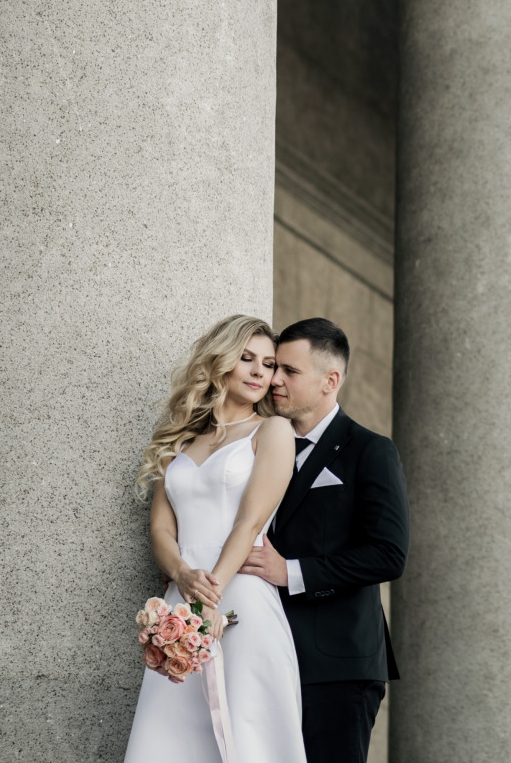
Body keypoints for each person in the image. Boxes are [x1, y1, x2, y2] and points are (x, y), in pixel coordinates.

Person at [123, 315, 305, 763]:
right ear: (221, 362)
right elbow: (161, 529)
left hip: (238, 593)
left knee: (248, 737)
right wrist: (183, 576)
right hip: (179, 601)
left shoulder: (272, 431)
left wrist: (210, 594)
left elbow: (249, 522)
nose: (260, 371)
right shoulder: (180, 441)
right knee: (169, 739)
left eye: (268, 363)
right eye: (247, 359)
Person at [239, 318, 409, 763]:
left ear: (330, 380)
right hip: (259, 653)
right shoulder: (250, 449)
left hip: (337, 666)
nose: (274, 379)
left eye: (289, 372)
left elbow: (388, 555)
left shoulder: (370, 450)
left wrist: (291, 571)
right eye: (276, 367)